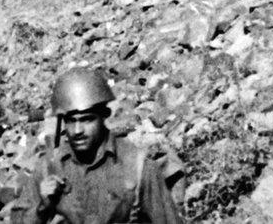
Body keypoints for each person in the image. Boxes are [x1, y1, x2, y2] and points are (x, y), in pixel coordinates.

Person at [11, 68, 182, 224]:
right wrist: (43, 204)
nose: (77, 130)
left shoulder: (138, 167)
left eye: (87, 119)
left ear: (103, 117)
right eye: (71, 121)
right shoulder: (49, 168)